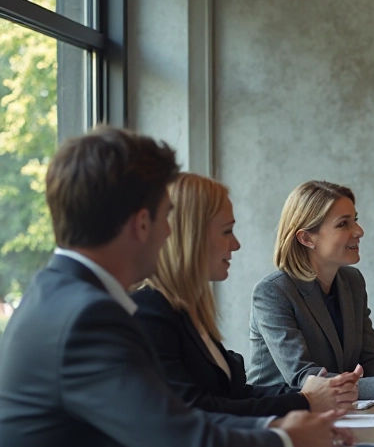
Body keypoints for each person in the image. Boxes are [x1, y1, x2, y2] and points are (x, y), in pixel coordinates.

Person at [0, 127, 349, 447]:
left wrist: (279, 428)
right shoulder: (87, 318)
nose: (171, 232)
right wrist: (288, 441)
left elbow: (177, 422)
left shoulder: (61, 298)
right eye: (167, 216)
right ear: (141, 224)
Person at [133, 173, 360, 417]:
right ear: (191, 236)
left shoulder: (190, 311)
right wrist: (305, 401)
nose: (236, 244)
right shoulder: (149, 314)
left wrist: (305, 400)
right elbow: (196, 412)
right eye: (227, 231)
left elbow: (235, 395)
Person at [248, 181, 374, 399]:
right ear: (306, 238)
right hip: (278, 410)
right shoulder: (273, 291)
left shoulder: (353, 281)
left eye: (355, 220)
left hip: (338, 408)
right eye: (343, 224)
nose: (359, 231)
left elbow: (369, 358)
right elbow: (303, 377)